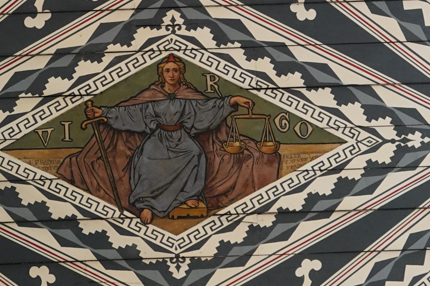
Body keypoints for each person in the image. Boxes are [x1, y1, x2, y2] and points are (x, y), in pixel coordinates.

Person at [58, 55, 278, 224]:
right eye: (167, 70)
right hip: (159, 137)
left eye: (175, 70)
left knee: (195, 153)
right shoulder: (151, 95)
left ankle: (188, 196)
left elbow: (208, 107)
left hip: (181, 137)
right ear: (161, 73)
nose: (171, 74)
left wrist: (233, 100)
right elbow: (130, 112)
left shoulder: (188, 94)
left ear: (180, 73)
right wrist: (103, 112)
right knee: (147, 158)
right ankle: (147, 204)